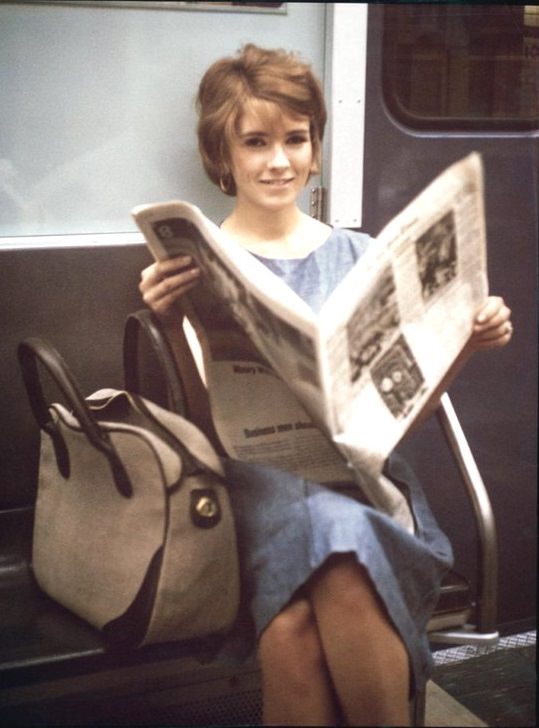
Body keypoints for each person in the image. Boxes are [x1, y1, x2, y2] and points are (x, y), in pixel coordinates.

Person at [139, 44, 513, 727]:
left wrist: (462, 345)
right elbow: (204, 430)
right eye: (255, 142)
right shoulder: (197, 266)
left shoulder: (357, 255)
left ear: (315, 149)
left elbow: (401, 416)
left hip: (365, 486)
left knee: (295, 629)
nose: (278, 160)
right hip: (257, 500)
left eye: (294, 139)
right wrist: (170, 325)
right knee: (329, 554)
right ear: (222, 157)